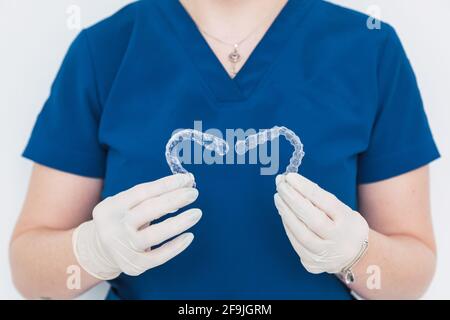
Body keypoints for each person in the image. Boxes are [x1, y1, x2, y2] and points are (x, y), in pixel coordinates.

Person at [10, 0, 440, 300]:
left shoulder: (369, 49)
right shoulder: (104, 50)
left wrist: (357, 254)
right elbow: (28, 271)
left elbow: (414, 271)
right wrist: (92, 252)